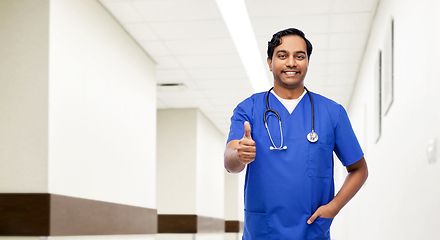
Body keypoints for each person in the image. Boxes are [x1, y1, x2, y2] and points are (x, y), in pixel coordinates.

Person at [224, 28, 368, 239]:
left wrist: (333, 208)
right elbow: (230, 163)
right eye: (282, 55)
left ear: (307, 62)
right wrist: (239, 155)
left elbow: (359, 169)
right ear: (270, 62)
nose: (291, 62)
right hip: (263, 231)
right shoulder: (249, 109)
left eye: (299, 56)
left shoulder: (332, 112)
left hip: (312, 230)